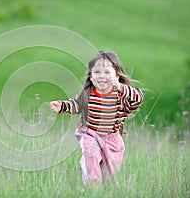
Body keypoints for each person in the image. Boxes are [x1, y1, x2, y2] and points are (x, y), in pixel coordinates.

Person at [49, 50, 144, 187]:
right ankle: (91, 189)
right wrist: (62, 106)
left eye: (107, 72)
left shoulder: (121, 96)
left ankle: (104, 191)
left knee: (109, 178)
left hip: (112, 139)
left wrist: (121, 87)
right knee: (91, 156)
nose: (101, 76)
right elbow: (76, 104)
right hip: (91, 134)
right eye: (97, 72)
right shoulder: (88, 94)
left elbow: (138, 99)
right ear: (92, 77)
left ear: (116, 76)